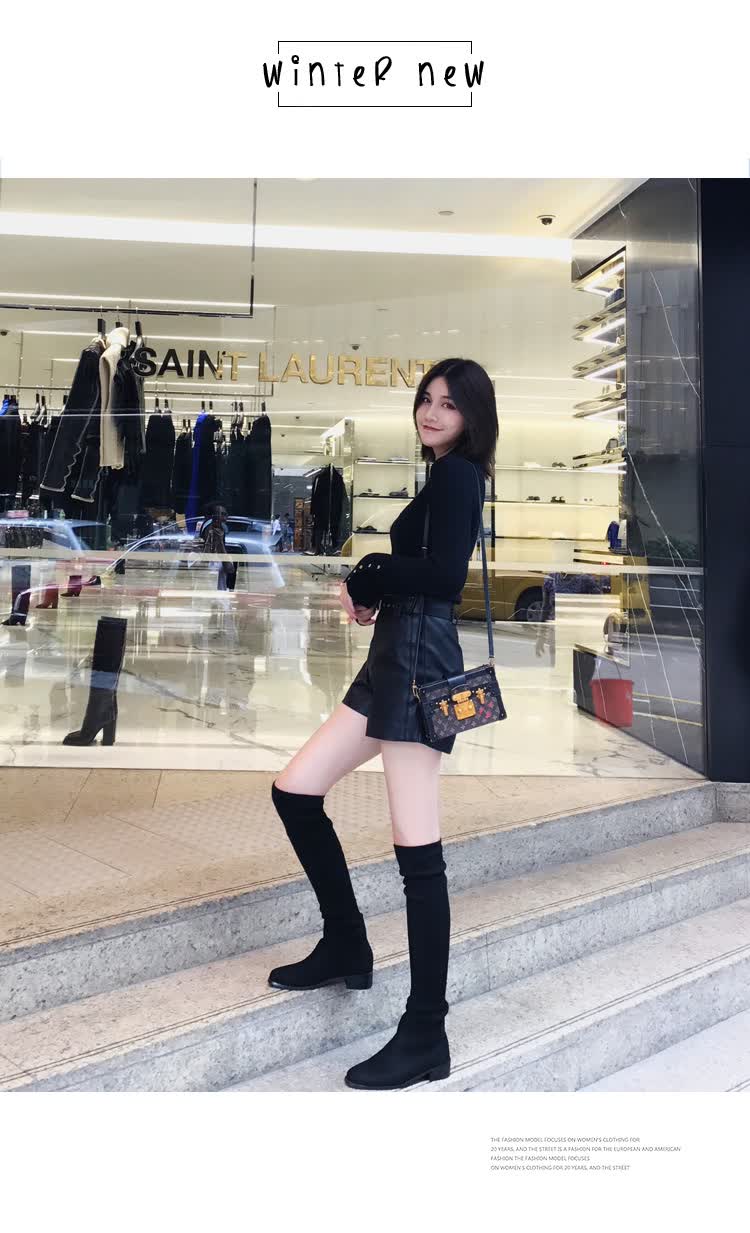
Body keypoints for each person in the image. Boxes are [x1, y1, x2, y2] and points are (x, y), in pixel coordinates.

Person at [268, 358, 498, 1090]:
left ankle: (427, 1030)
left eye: (448, 404)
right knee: (295, 790)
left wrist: (370, 569)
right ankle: (346, 943)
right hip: (393, 656)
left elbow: (444, 577)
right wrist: (375, 587)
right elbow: (422, 571)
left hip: (419, 663)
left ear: (472, 416)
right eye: (426, 399)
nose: (432, 412)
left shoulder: (458, 475)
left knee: (418, 853)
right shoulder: (442, 476)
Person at [200, 505, 237, 591]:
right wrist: (208, 543)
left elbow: (230, 569)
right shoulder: (195, 555)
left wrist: (220, 543)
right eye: (222, 514)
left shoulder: (224, 555)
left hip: (220, 597)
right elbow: (203, 565)